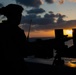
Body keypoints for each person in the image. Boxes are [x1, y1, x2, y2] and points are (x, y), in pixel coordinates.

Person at [0, 4, 27, 74]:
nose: (21, 16)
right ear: (14, 15)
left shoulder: (2, 27)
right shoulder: (17, 31)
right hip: (15, 68)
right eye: (19, 14)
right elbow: (25, 51)